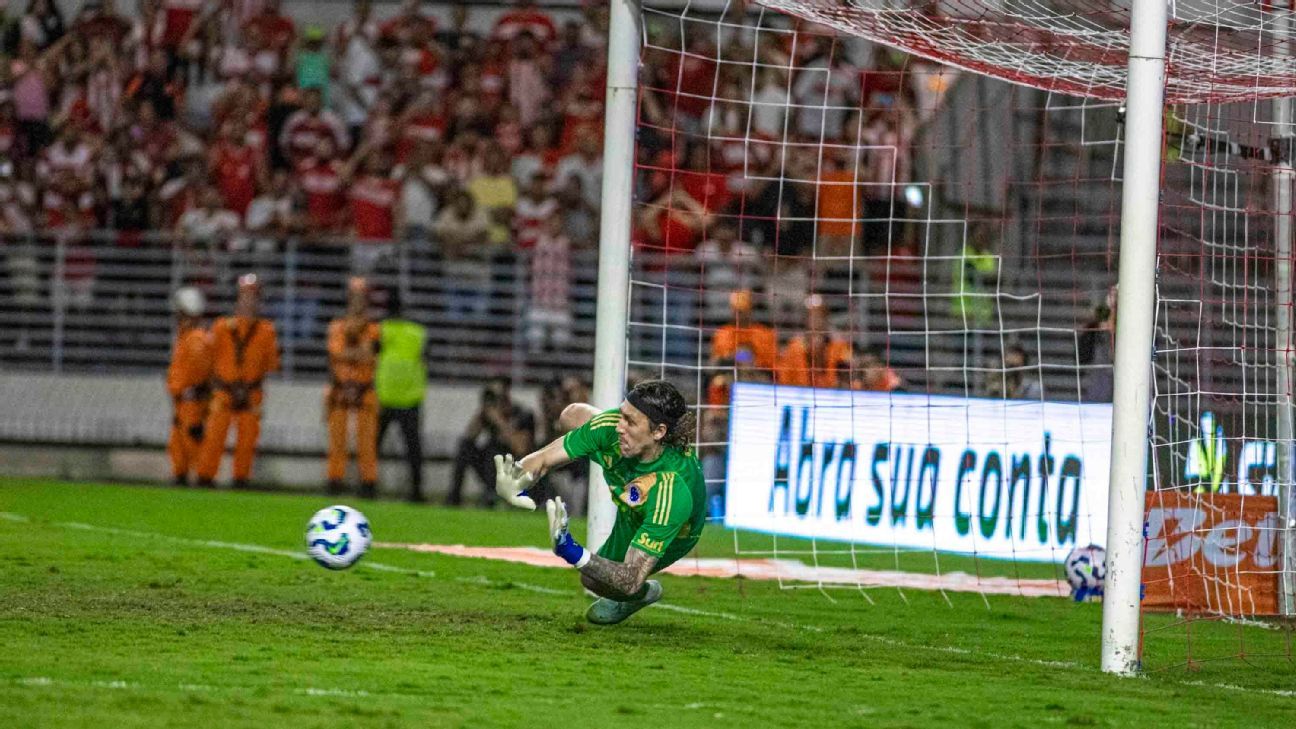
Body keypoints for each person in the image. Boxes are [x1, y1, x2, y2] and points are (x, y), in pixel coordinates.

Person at [492, 380, 706, 626]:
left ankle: (643, 594)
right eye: (622, 415)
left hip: (673, 529)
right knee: (571, 416)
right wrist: (514, 479)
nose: (620, 427)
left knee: (605, 581)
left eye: (631, 422)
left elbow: (629, 578)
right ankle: (593, 437)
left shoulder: (672, 490)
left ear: (658, 431)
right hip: (631, 503)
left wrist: (571, 550)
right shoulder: (613, 428)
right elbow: (543, 459)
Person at [195, 274, 281, 488]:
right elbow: (209, 360)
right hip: (224, 389)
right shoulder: (221, 327)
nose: (249, 301)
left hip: (251, 391)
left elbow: (271, 364)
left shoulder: (266, 330)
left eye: (253, 296)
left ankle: (241, 479)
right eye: (245, 295)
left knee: (247, 440)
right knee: (214, 435)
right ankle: (205, 476)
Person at [325, 277, 380, 497]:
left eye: (361, 298)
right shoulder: (337, 327)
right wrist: (359, 355)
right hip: (340, 390)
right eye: (354, 297)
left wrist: (352, 355)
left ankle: (368, 484)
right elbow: (337, 352)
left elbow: (370, 357)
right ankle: (334, 481)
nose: (358, 302)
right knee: (337, 441)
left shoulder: (374, 329)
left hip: (364, 390)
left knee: (366, 442)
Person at [448, 376, 535, 507]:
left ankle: (493, 495)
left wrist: (499, 421)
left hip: (514, 470)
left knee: (495, 448)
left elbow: (520, 449)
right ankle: (454, 498)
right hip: (490, 467)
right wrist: (482, 413)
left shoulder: (522, 414)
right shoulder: (488, 414)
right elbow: (470, 436)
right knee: (465, 445)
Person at [375, 290, 428, 502]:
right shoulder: (417, 332)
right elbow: (425, 359)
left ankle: (367, 486)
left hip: (385, 395)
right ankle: (416, 491)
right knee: (413, 450)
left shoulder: (380, 330)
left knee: (374, 447)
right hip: (410, 397)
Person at [166, 286, 212, 486]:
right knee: (179, 445)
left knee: (193, 443)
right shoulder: (187, 337)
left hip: (192, 403)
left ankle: (201, 479)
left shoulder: (196, 339)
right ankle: (182, 476)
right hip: (183, 401)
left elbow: (200, 375)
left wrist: (191, 392)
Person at [776, 294, 853, 388]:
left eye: (819, 315)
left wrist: (822, 354)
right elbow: (784, 377)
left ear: (825, 317)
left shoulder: (838, 344)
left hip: (831, 393)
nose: (815, 319)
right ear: (806, 319)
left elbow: (847, 372)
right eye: (811, 315)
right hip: (798, 394)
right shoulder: (795, 346)